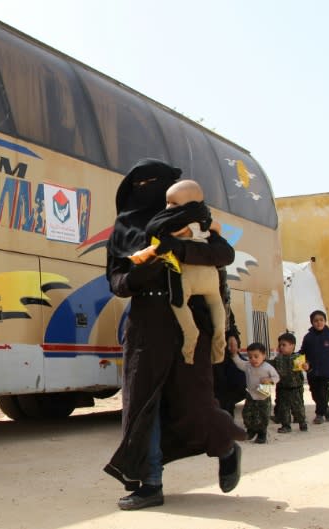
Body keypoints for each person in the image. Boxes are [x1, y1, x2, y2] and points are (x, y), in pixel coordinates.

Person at [103, 159, 246, 511]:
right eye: (139, 184)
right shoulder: (122, 231)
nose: (147, 191)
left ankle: (226, 447)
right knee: (142, 406)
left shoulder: (193, 221)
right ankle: (150, 484)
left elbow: (221, 255)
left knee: (194, 404)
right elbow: (117, 282)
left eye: (154, 183)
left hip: (192, 327)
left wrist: (176, 249)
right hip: (146, 328)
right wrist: (142, 273)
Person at [127, 179, 227, 364]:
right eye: (167, 202)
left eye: (173, 203)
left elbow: (165, 236)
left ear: (189, 204)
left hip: (188, 275)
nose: (168, 207)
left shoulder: (175, 223)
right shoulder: (205, 220)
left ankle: (190, 338)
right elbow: (218, 229)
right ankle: (220, 341)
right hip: (210, 277)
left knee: (178, 303)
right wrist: (208, 227)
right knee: (216, 305)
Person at [231, 342, 280, 443]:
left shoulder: (267, 367)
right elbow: (239, 363)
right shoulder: (248, 366)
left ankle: (262, 433)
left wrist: (269, 380)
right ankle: (251, 430)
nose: (253, 359)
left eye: (256, 356)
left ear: (264, 356)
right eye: (250, 357)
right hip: (251, 394)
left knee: (263, 415)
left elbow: (277, 377)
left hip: (263, 395)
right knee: (247, 414)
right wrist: (234, 354)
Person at [271, 332, 308, 433]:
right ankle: (286, 425)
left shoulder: (297, 357)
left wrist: (306, 367)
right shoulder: (278, 359)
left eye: (284, 345)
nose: (281, 347)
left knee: (298, 408)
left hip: (295, 388)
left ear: (292, 346)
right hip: (282, 388)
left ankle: (302, 422)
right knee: (284, 408)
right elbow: (270, 367)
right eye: (280, 345)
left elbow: (306, 367)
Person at [213, 331, 248, 418]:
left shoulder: (264, 367)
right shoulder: (244, 364)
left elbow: (271, 379)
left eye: (256, 356)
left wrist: (262, 395)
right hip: (248, 399)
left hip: (258, 400)